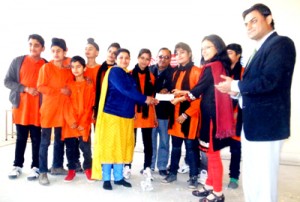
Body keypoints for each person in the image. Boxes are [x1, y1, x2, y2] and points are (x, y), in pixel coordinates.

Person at [215, 3, 296, 202]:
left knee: (264, 182)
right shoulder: (258, 49)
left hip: (267, 125)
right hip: (253, 125)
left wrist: (235, 84)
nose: (249, 26)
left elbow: (271, 81)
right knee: (252, 178)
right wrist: (235, 92)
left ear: (268, 19)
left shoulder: (281, 44)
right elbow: (254, 86)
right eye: (246, 23)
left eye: (254, 20)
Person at [172, 35, 234, 202]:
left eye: (208, 47)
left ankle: (218, 193)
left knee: (213, 155)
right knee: (210, 153)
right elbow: (204, 89)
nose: (204, 51)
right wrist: (183, 93)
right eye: (202, 48)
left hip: (213, 117)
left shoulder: (211, 67)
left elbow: (196, 91)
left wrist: (180, 98)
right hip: (213, 115)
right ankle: (209, 185)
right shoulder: (220, 66)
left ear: (217, 48)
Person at [92, 48, 158, 190]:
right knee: (110, 148)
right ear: (116, 59)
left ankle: (118, 177)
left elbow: (133, 94)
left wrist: (149, 100)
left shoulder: (128, 75)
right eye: (121, 57)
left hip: (126, 117)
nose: (124, 60)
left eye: (126, 58)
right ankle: (106, 179)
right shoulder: (115, 72)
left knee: (121, 148)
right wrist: (146, 99)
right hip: (112, 116)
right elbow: (125, 90)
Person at [4, 34, 47, 181]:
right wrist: (25, 89)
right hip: (21, 108)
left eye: (36, 45)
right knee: (21, 138)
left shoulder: (46, 65)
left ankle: (36, 167)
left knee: (37, 139)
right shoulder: (18, 61)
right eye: (30, 44)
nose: (32, 47)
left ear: (43, 48)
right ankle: (17, 166)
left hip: (39, 110)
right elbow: (7, 81)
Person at [161, 42, 202, 190]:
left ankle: (193, 176)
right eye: (177, 53)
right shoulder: (175, 72)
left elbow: (200, 96)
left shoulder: (197, 71)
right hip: (175, 116)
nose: (179, 56)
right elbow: (175, 92)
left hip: (191, 116)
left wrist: (186, 114)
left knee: (191, 148)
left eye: (182, 53)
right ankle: (172, 173)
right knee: (176, 147)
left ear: (190, 54)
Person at [37, 38, 74, 185]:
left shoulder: (68, 70)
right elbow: (40, 87)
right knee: (45, 142)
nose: (56, 53)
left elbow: (74, 84)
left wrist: (88, 81)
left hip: (63, 112)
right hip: (48, 111)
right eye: (53, 51)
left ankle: (57, 166)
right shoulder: (46, 68)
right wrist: (60, 91)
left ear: (65, 52)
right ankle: (42, 171)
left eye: (59, 50)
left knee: (60, 140)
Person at [62, 56, 95, 182]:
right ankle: (71, 170)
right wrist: (71, 121)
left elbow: (89, 105)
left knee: (85, 147)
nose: (75, 69)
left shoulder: (89, 85)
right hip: (70, 123)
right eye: (73, 67)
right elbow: (66, 104)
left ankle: (88, 168)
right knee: (70, 148)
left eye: (78, 66)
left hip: (83, 122)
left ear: (84, 68)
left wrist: (83, 122)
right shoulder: (68, 85)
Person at [149, 47, 174, 177]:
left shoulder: (174, 72)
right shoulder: (149, 70)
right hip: (151, 113)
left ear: (170, 59)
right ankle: (150, 166)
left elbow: (176, 89)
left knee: (164, 141)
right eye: (161, 56)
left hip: (165, 113)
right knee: (151, 141)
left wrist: (168, 90)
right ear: (156, 57)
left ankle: (162, 166)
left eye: (166, 57)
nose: (163, 59)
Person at [226, 43, 244, 189]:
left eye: (230, 53)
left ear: (238, 55)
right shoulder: (221, 71)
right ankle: (206, 173)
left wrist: (236, 93)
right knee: (210, 147)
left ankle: (234, 177)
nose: (227, 56)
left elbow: (248, 91)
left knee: (235, 148)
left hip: (237, 117)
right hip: (220, 115)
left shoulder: (244, 71)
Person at [93, 42, 121, 120]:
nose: (111, 54)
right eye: (110, 51)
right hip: (99, 105)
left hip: (114, 108)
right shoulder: (98, 69)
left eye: (114, 53)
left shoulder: (119, 71)